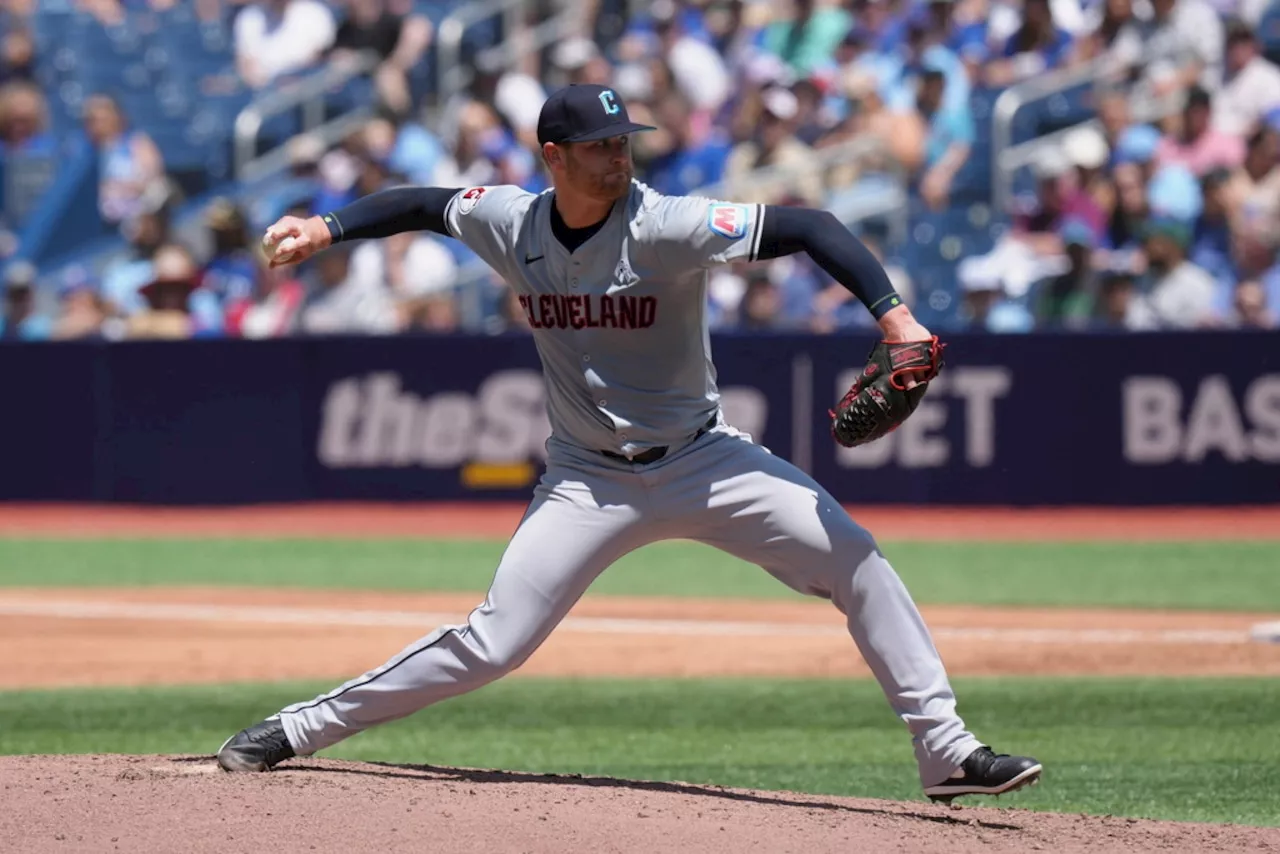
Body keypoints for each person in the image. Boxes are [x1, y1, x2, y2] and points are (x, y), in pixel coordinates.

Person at [215, 83, 1042, 803]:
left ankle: (946, 752)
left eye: (623, 142)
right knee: (495, 641)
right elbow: (422, 204)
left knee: (854, 558)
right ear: (553, 158)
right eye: (599, 147)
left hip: (705, 459)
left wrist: (894, 315)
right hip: (585, 481)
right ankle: (298, 729)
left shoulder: (667, 225)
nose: (619, 158)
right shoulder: (508, 221)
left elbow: (811, 225)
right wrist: (326, 227)